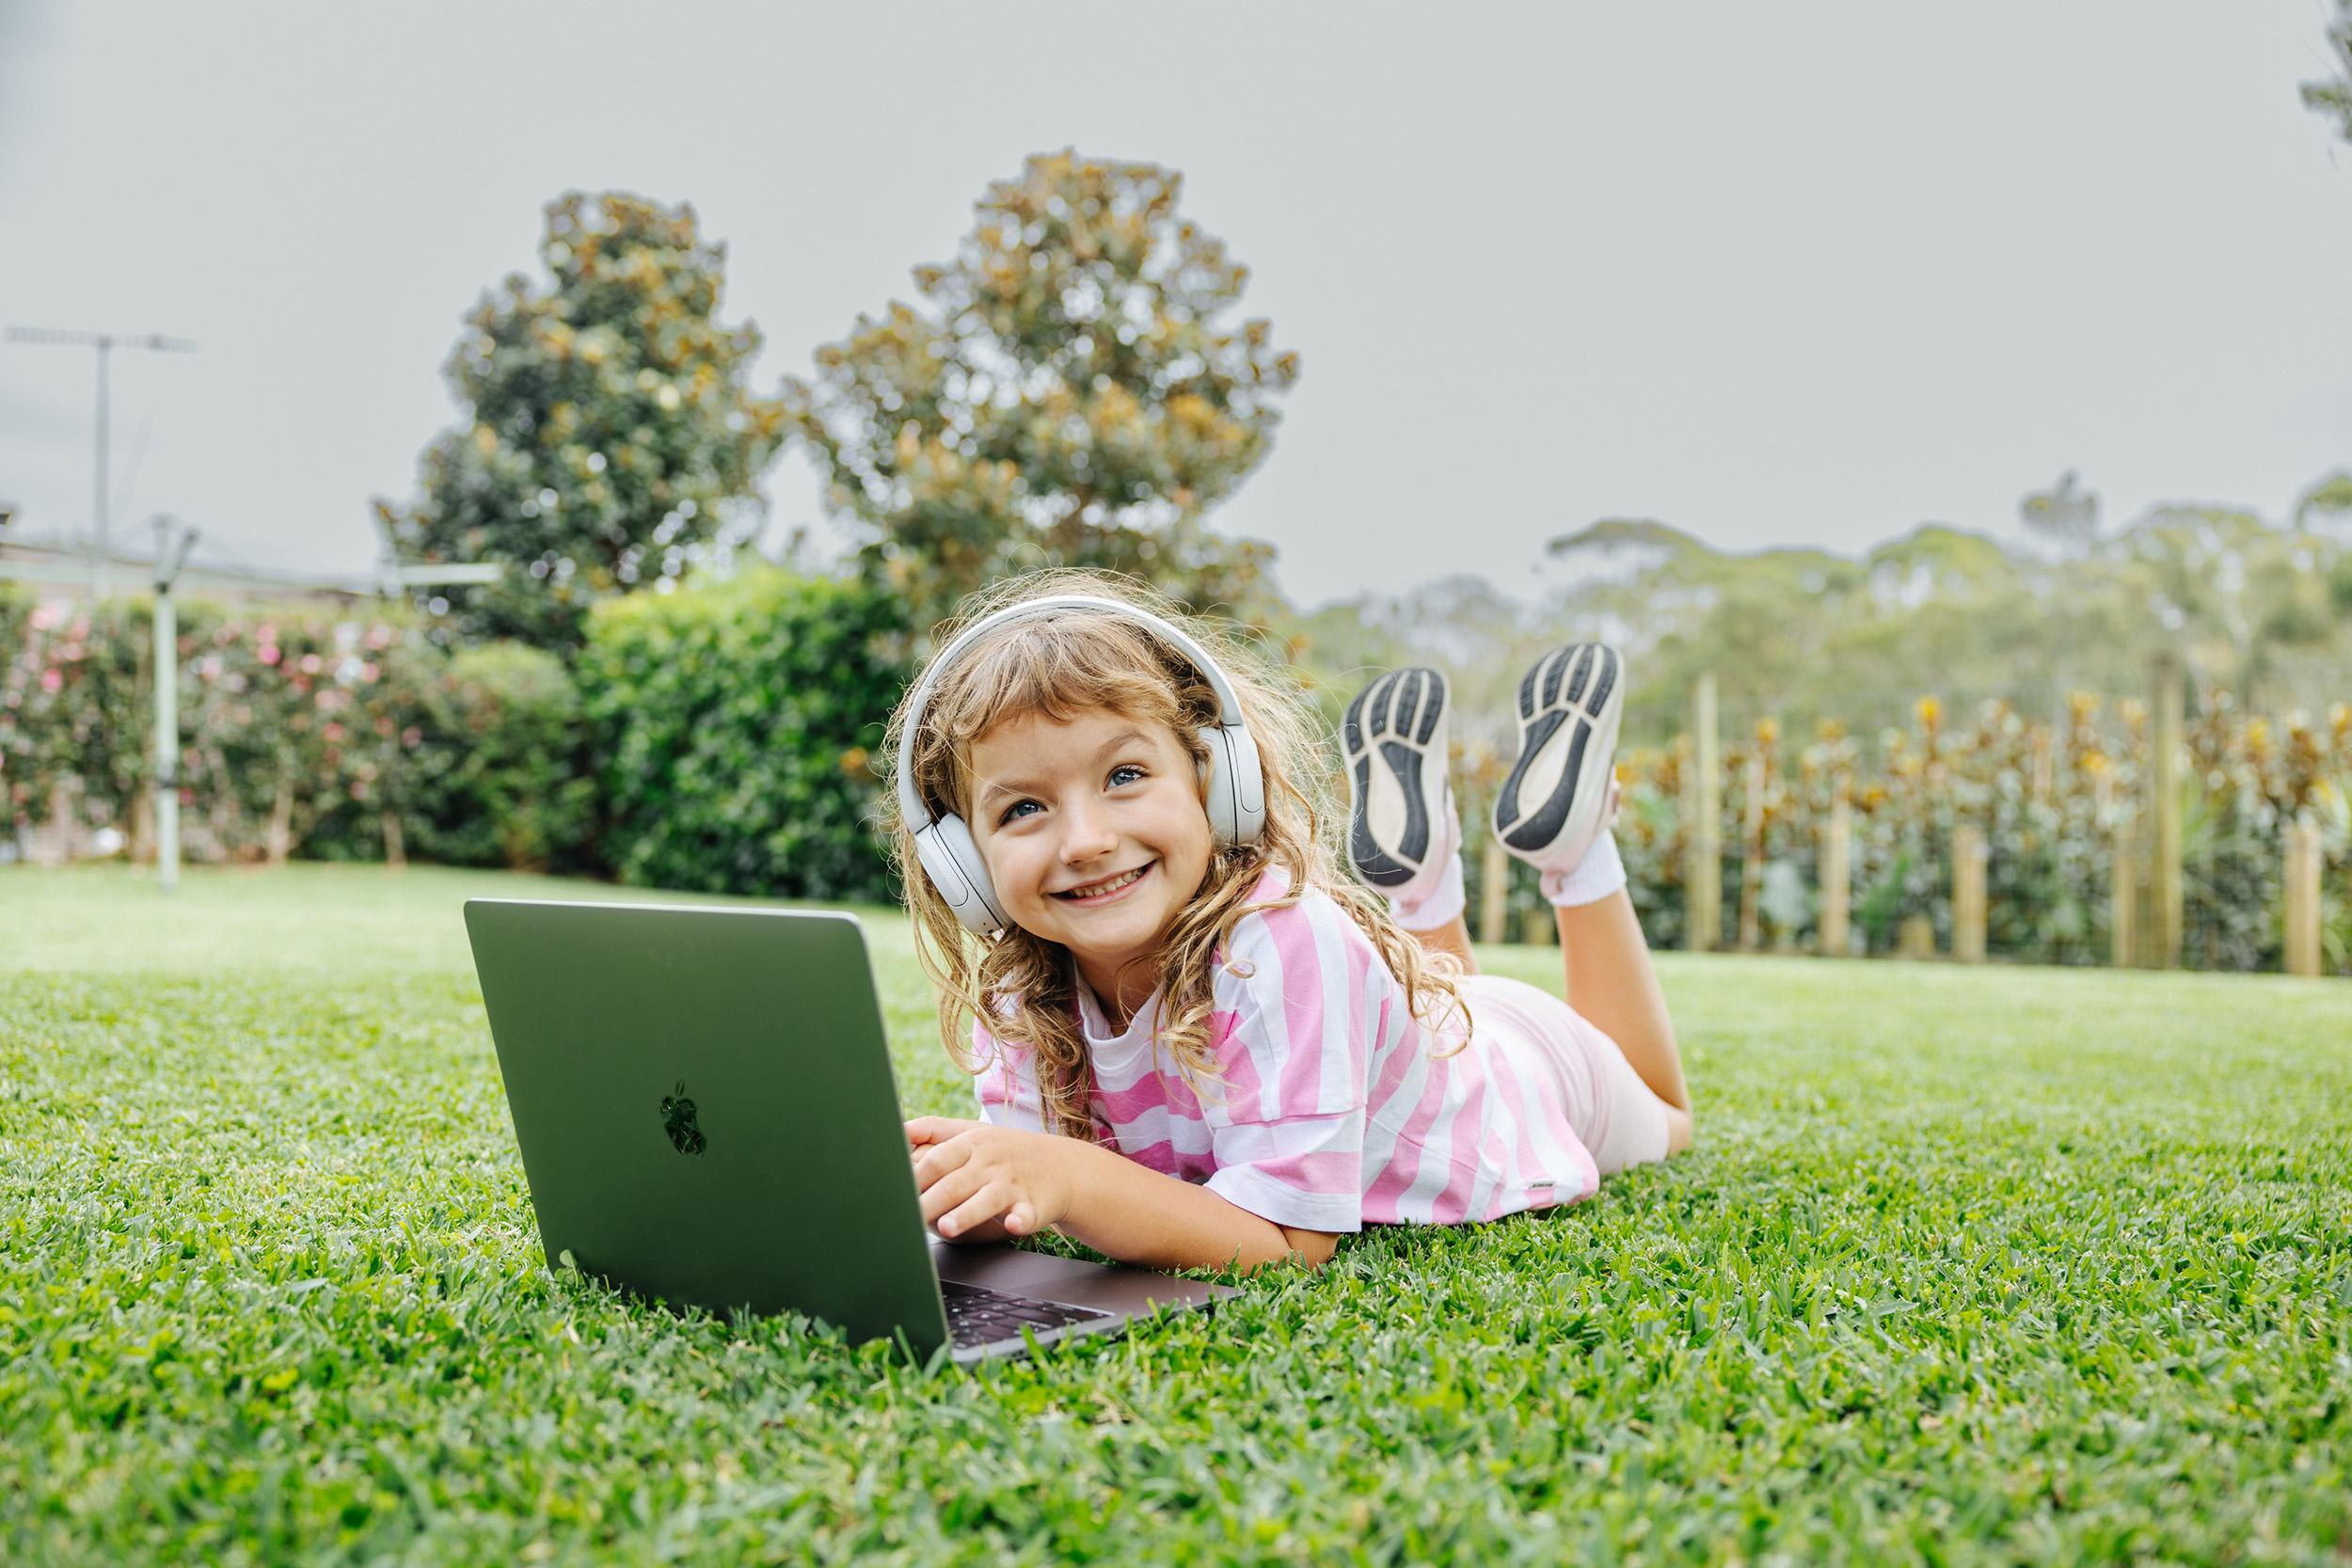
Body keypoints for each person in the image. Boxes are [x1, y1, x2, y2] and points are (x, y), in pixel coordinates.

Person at [888, 570, 1693, 1275]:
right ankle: (1423, 882)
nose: (1087, 840)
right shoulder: (1019, 994)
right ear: (962, 861)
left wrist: (1067, 1175)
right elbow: (1032, 1190)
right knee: (1442, 1004)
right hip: (1421, 1029)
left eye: (1125, 774)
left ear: (1216, 779)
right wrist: (959, 1183)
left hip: (1525, 1065)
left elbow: (1286, 1238)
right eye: (1024, 806)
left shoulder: (1280, 943)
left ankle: (1577, 855)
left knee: (1669, 1116)